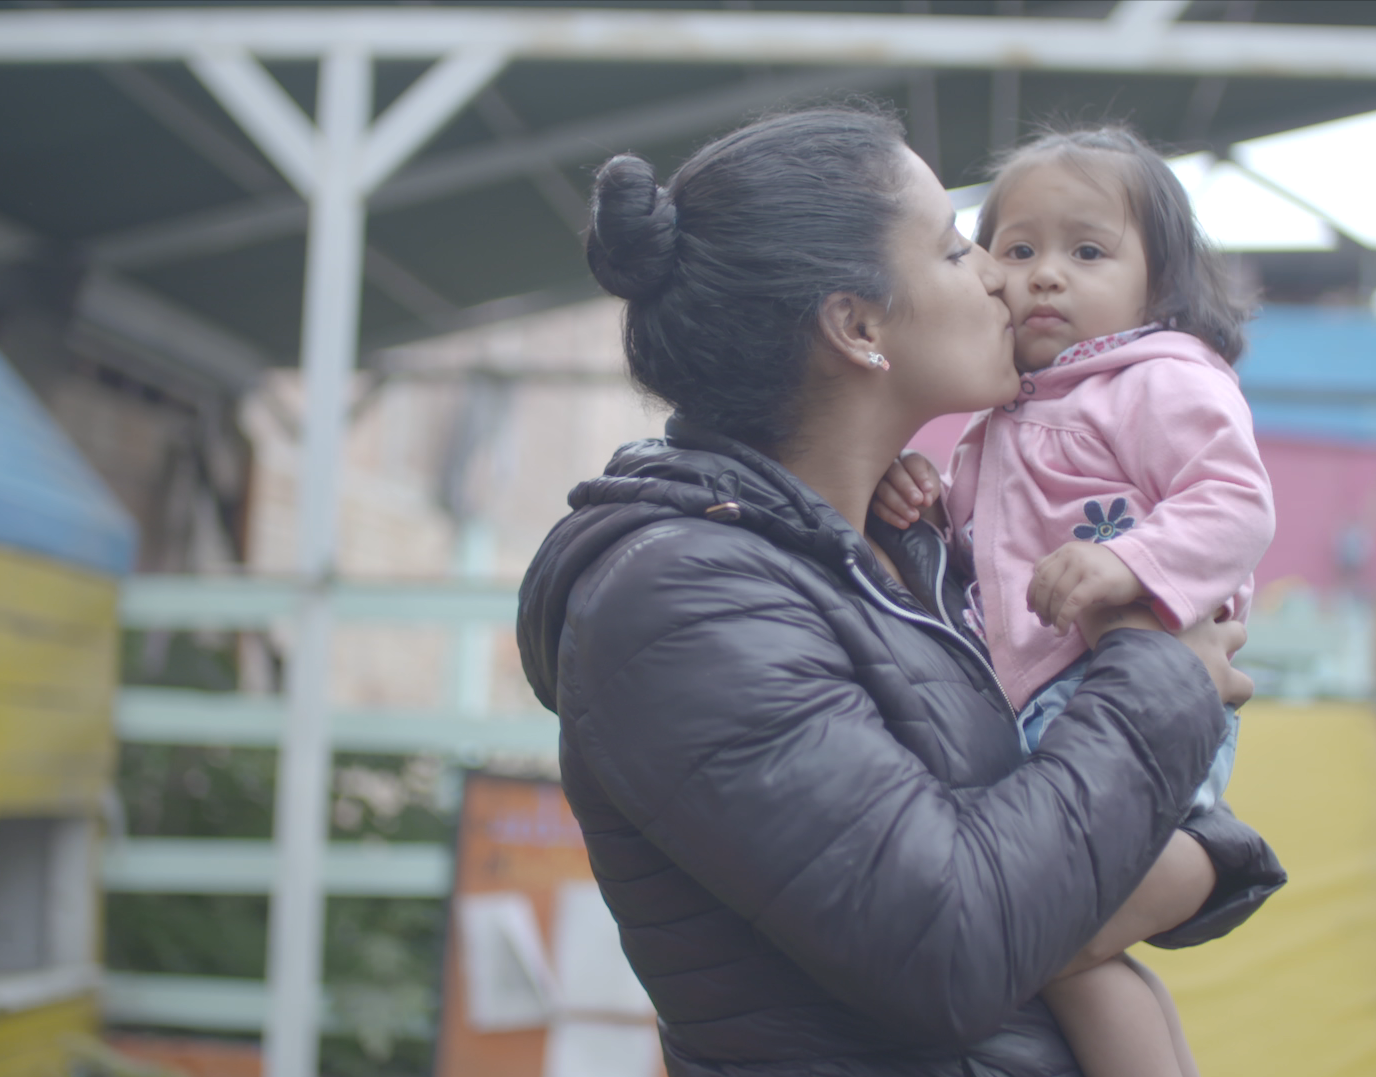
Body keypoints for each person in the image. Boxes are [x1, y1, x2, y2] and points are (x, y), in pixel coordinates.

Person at [517, 107, 1285, 1077]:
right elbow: (951, 942)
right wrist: (1161, 676)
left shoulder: (898, 552)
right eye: (958, 248)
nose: (1001, 277)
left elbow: (1038, 831)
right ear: (858, 326)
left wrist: (1200, 847)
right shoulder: (680, 602)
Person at [873, 125, 1271, 1076]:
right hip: (1057, 712)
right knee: (1076, 959)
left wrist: (1130, 562)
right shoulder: (1006, 413)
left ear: (1159, 285)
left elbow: (1235, 503)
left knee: (1050, 945)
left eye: (1087, 252)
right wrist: (926, 501)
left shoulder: (1158, 381)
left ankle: (1198, 867)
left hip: (1125, 699)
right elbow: (984, 553)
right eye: (1017, 250)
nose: (1045, 274)